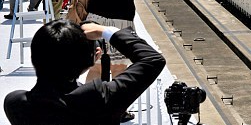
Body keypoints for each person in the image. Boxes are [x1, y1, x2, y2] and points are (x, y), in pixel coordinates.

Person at [3, 20, 166, 125]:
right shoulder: (100, 98)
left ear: (35, 57)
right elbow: (152, 59)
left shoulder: (16, 103)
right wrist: (104, 30)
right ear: (93, 58)